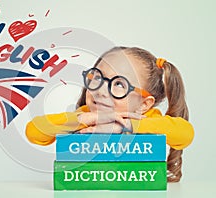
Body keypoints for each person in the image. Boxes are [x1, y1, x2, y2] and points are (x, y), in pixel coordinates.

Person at [25, 46, 194, 182]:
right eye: (97, 77)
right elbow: (34, 131)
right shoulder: (85, 115)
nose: (101, 90)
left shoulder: (146, 119)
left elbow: (185, 134)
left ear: (144, 104)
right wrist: (87, 119)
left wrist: (125, 126)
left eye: (119, 84)